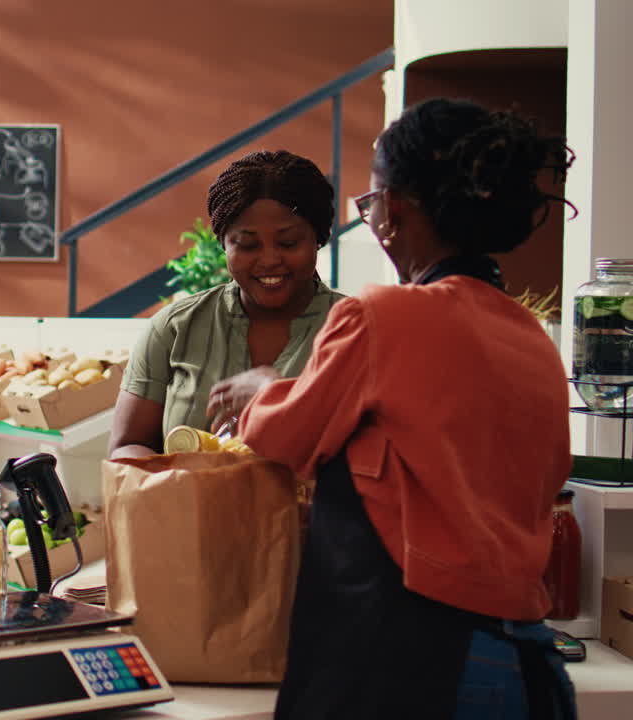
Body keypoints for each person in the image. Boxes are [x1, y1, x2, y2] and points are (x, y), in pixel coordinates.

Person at [233, 98, 577, 719]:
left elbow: (287, 435)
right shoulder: (530, 336)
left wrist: (260, 390)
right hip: (528, 662)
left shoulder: (381, 316)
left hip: (420, 658)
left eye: (368, 206)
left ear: (392, 212)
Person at [108, 150, 347, 459]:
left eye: (288, 243)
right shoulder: (174, 328)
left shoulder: (357, 330)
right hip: (186, 504)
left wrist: (281, 397)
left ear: (318, 237)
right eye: (247, 245)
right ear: (223, 243)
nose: (270, 260)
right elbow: (126, 445)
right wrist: (180, 485)